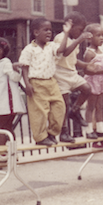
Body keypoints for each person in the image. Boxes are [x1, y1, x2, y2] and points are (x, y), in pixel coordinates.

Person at [18, 17, 70, 146]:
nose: (49, 33)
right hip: (36, 83)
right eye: (45, 30)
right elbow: (24, 67)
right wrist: (27, 84)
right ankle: (40, 137)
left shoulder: (51, 46)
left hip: (51, 82)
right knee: (39, 111)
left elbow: (61, 50)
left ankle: (52, 133)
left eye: (50, 30)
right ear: (36, 32)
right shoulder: (29, 49)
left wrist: (66, 33)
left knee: (60, 106)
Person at [53, 11, 94, 143]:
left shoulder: (74, 41)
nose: (80, 32)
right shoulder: (61, 38)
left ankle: (74, 111)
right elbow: (65, 53)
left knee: (87, 89)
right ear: (70, 26)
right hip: (60, 74)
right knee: (64, 104)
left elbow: (73, 60)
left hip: (71, 72)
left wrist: (87, 65)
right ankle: (64, 133)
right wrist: (79, 39)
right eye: (79, 30)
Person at [82, 23, 103, 140]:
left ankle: (101, 128)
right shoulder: (89, 53)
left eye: (102, 35)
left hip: (101, 82)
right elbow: (87, 71)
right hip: (93, 82)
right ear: (90, 38)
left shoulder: (101, 51)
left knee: (100, 105)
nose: (102, 38)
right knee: (91, 106)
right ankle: (89, 129)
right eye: (98, 35)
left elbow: (101, 65)